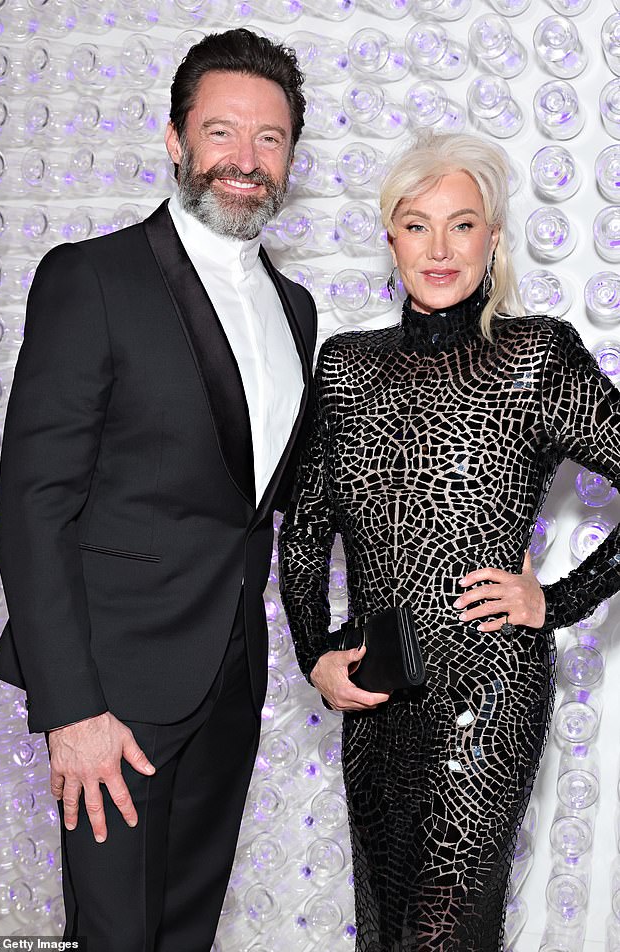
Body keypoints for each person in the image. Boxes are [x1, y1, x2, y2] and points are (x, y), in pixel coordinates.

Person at [0, 28, 317, 952]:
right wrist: (71, 711)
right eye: (221, 133)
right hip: (114, 699)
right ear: (176, 142)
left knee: (185, 934)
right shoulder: (90, 278)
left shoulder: (297, 310)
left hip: (231, 680)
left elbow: (260, 506)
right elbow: (33, 508)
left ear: (291, 155)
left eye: (269, 138)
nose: (244, 161)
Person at [278, 130, 620, 952]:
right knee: (388, 929)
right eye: (417, 223)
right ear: (390, 236)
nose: (439, 248)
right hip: (377, 693)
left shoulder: (535, 357)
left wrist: (558, 598)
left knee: (442, 933)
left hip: (489, 693)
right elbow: (306, 527)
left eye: (462, 225)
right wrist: (314, 652)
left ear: (493, 239)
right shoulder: (346, 366)